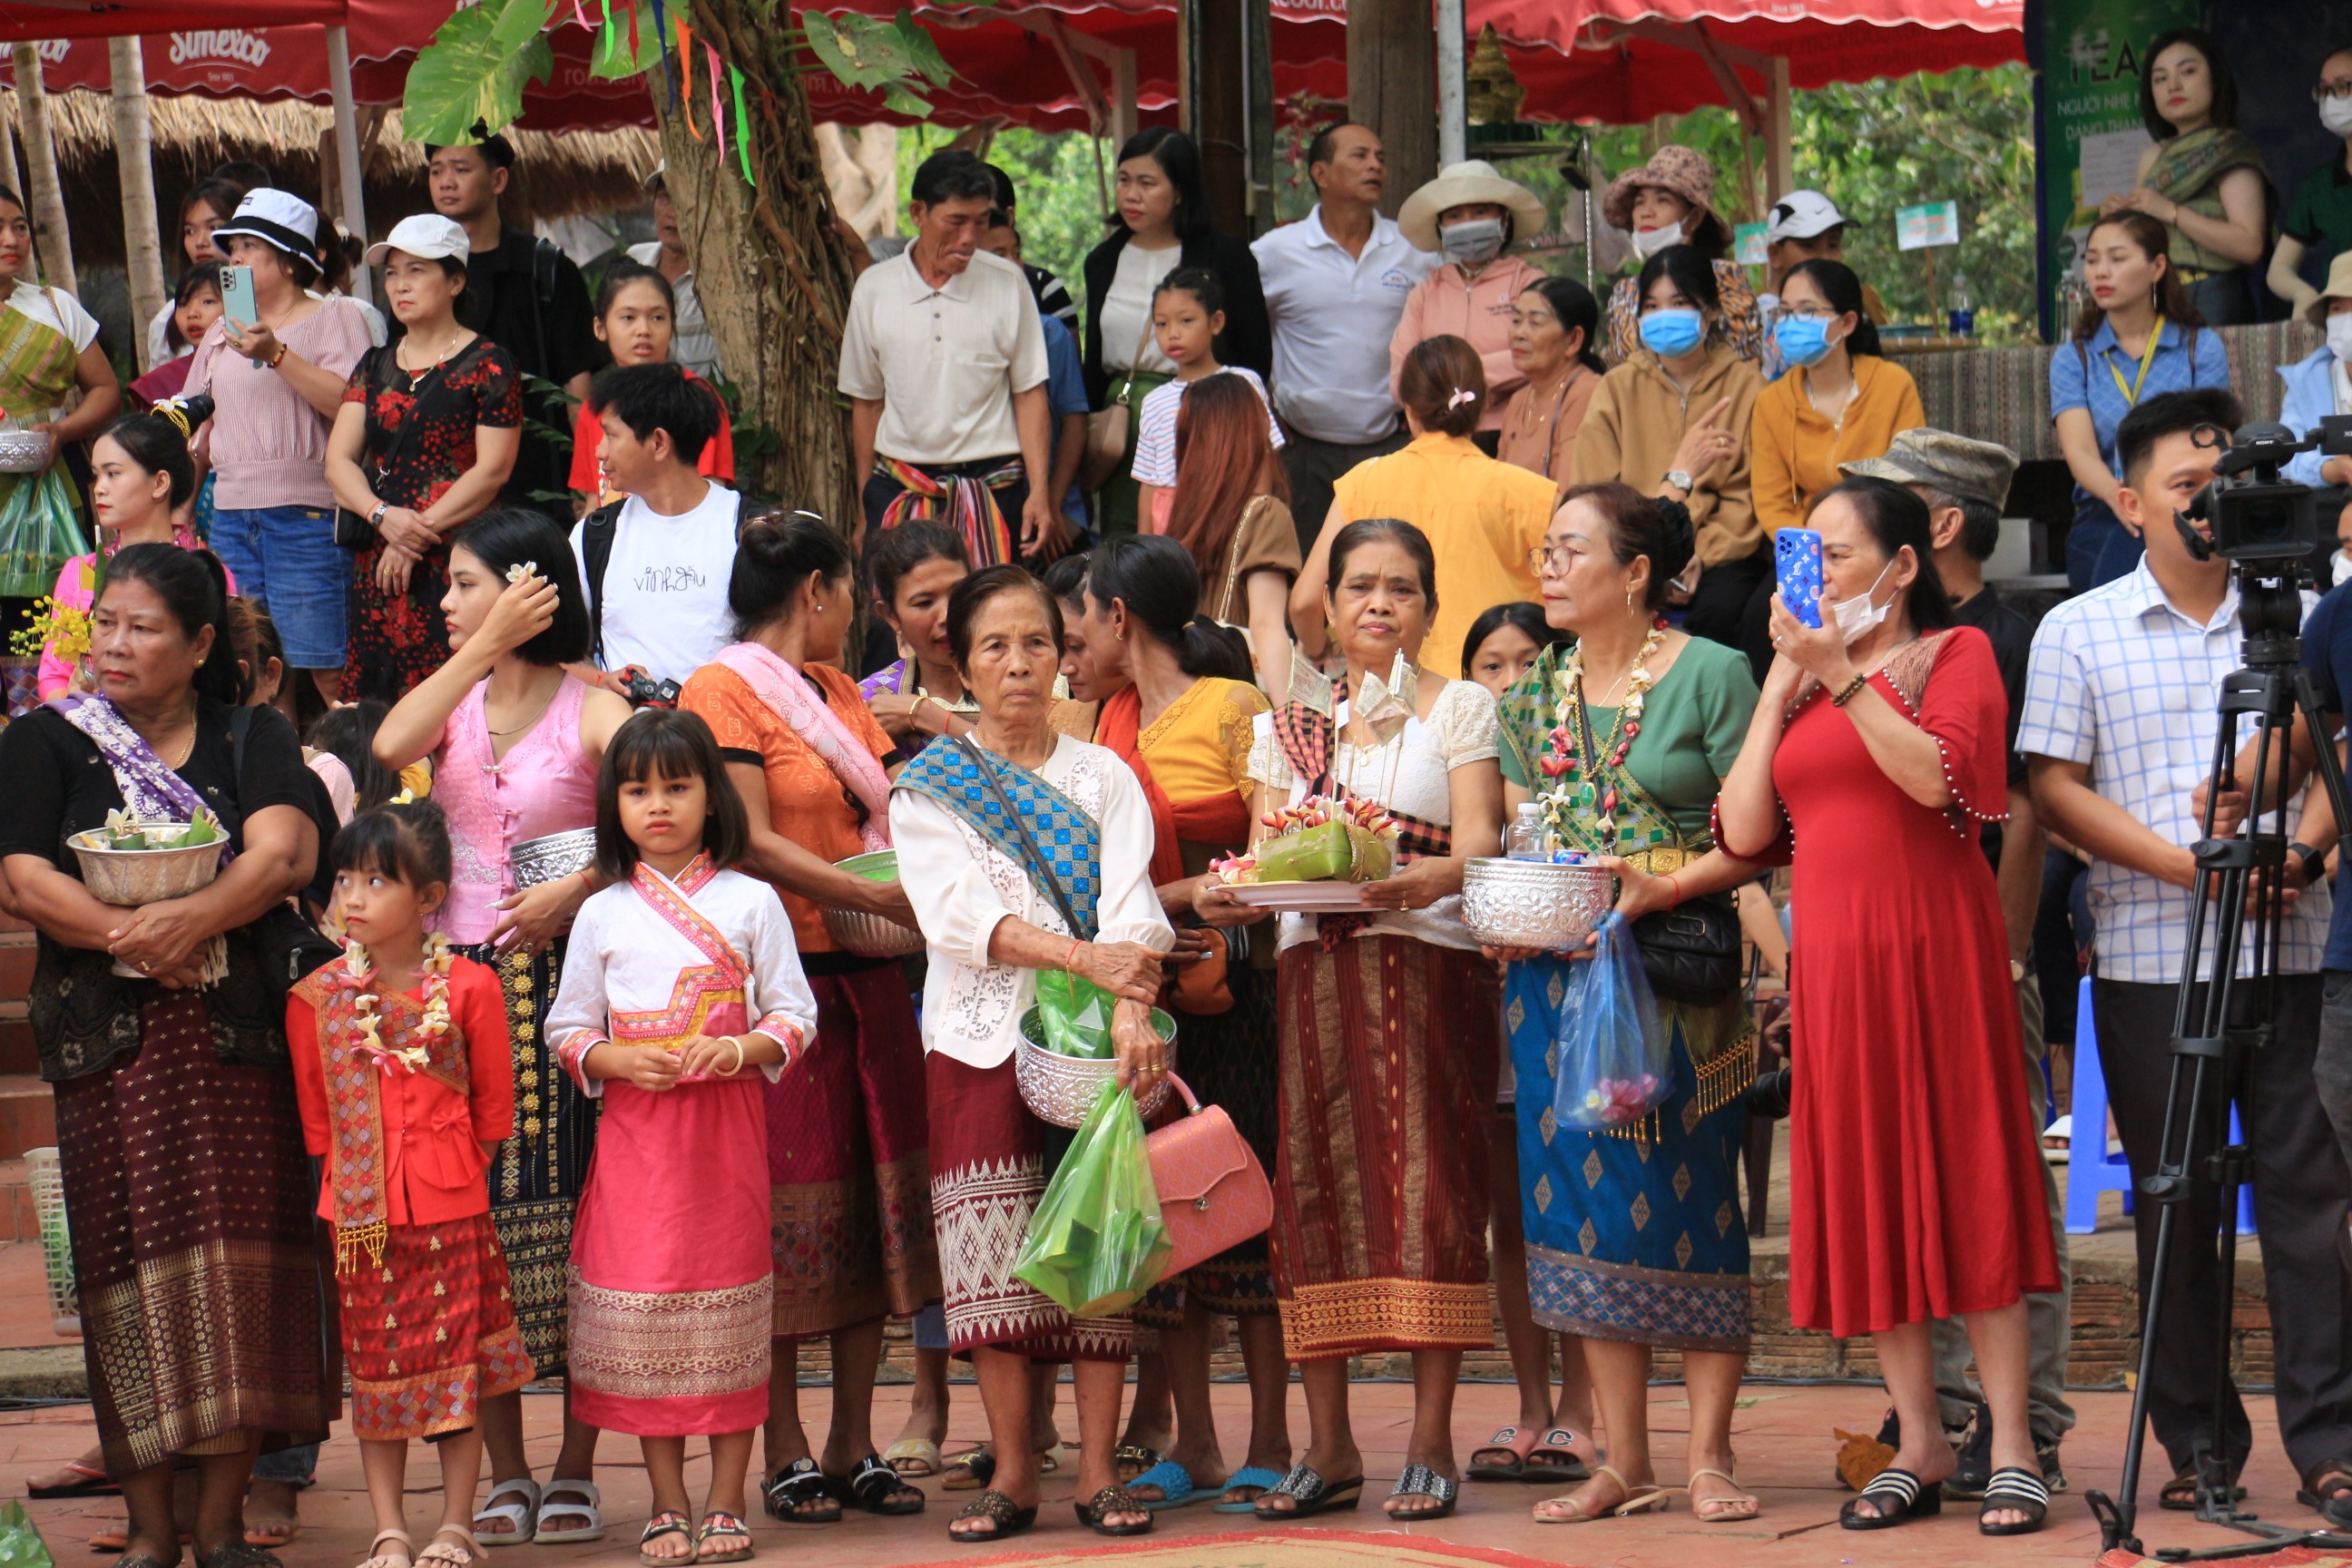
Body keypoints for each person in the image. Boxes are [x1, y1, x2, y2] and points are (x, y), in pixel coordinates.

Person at [2023, 387, 2352, 1529]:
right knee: (2176, 1207)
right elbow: (2054, 788)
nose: (2217, 505)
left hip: (2299, 942)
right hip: (2155, 952)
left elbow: (2342, 746)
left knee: (2315, 1206)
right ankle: (2197, 1441)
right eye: (2187, 487)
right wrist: (2187, 867)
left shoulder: (2317, 612)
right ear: (2131, 501)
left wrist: (2302, 857)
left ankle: (2333, 1446)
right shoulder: (2081, 627)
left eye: (2234, 484)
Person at [1717, 477, 2061, 1535]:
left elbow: (1944, 785)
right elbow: (1740, 832)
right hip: (1836, 968)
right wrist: (1782, 686)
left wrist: (1842, 677)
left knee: (1971, 1179)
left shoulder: (1953, 657)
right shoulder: (1805, 684)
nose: (1815, 575)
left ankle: (2008, 1443)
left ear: (1904, 565)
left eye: (1837, 554)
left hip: (1936, 953)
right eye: (1803, 556)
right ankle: (1917, 1437)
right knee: (1872, 1190)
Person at [0, 544, 333, 1568]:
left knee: (244, 1278)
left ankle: (222, 1526)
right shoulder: (47, 740)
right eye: (105, 623)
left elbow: (285, 854)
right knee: (124, 1275)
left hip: (238, 1047)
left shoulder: (252, 735)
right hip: (113, 1046)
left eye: (142, 628)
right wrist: (132, 939)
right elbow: (22, 878)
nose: (114, 644)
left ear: (197, 646)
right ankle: (150, 1530)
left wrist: (189, 922)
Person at [1205, 518, 1502, 1524]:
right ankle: (1328, 1449)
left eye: (1403, 588)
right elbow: (1258, 861)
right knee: (1315, 1198)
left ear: (1426, 610)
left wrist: (1414, 883)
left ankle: (1429, 1442)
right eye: (1361, 586)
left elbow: (1476, 847)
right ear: (1326, 609)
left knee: (1431, 1190)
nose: (1380, 602)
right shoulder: (1287, 727)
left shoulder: (1457, 709)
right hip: (1311, 974)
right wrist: (1239, 891)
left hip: (1428, 966)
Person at [1489, 485, 1764, 1525]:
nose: (1547, 565)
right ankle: (1624, 1459)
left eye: (1570, 549)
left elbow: (1765, 834)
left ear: (1637, 571)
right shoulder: (1539, 692)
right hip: (1557, 975)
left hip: (1675, 969)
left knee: (1691, 1201)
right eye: (1545, 549)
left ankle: (1708, 1455)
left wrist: (1664, 885)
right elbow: (1529, 832)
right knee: (1578, 1211)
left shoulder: (1712, 674)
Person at [887, 565, 1171, 1543]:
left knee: (1098, 1240)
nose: (1019, 665)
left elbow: (1137, 903)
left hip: (1094, 1043)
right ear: (962, 664)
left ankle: (1097, 1472)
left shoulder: (1105, 776)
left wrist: (1127, 1000)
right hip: (978, 1037)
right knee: (992, 1252)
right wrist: (1086, 958)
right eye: (996, 647)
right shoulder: (929, 787)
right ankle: (1012, 1471)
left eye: (1038, 644)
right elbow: (963, 916)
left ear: (1066, 656)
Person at [371, 507, 631, 1547]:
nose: (444, 601)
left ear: (529, 592)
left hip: (566, 986)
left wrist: (575, 888)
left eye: (465, 584)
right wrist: (484, 642)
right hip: (457, 990)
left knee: (577, 1219)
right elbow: (389, 742)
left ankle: (575, 1463)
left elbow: (668, 823)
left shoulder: (595, 711)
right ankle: (509, 1468)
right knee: (468, 1226)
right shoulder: (461, 701)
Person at [675, 516, 938, 1524]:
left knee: (872, 1209)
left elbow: (884, 805)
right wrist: (870, 896)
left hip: (867, 977)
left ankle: (853, 1441)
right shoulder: (721, 689)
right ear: (819, 592)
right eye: (848, 597)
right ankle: (783, 1443)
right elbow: (744, 837)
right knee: (788, 1216)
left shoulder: (835, 692)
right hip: (780, 979)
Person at [1839, 428, 2075, 1494]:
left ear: (1930, 530)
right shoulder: (1843, 645)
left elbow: (2016, 807)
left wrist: (2012, 948)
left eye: (1878, 509)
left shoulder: (1996, 637)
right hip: (1868, 951)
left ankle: (2033, 1423)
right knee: (1899, 1184)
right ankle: (1928, 1417)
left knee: (1994, 1184)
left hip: (1975, 946)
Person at [547, 708, 820, 1565]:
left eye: (677, 785)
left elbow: (796, 1014)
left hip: (724, 1145)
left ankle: (727, 1497)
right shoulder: (601, 914)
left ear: (712, 796)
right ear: (613, 805)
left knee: (726, 1313)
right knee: (649, 1318)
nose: (658, 805)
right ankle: (668, 1501)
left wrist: (741, 1046)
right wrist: (618, 1060)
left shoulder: (754, 901)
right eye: (637, 790)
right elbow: (566, 1026)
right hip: (637, 1147)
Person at [1052, 536, 1289, 1513]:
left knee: (1236, 1203)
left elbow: (1274, 850)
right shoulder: (1098, 720)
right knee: (1159, 1217)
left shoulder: (1234, 709)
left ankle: (1270, 1435)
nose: (1065, 648)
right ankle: (1193, 1441)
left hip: (1230, 986)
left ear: (1120, 620)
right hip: (1135, 991)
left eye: (1074, 627)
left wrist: (1168, 891)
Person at [286, 799, 529, 1568]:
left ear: (429, 899)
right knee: (377, 1371)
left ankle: (456, 1523)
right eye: (344, 879)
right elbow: (318, 1124)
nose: (351, 898)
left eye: (376, 881)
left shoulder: (468, 988)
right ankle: (389, 1528)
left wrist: (449, 1170)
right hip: (360, 1217)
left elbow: (494, 1110)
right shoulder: (316, 999)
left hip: (453, 1203)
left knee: (460, 1366)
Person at [1455, 601, 1591, 1490]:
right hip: (1485, 1003)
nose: (1506, 682)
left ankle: (1586, 1412)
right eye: (1489, 666)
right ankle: (1532, 1407)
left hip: (1567, 1002)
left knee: (1573, 1207)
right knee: (1510, 1218)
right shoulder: (1459, 760)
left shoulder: (1577, 757)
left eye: (1523, 663)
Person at [188, 190, 375, 709]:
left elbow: (355, 405)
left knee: (330, 669)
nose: (236, 257)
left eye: (251, 245)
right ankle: (278, 777)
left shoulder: (337, 318)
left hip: (309, 514)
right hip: (229, 517)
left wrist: (276, 354)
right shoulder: (221, 333)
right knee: (253, 672)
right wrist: (184, 505)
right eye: (233, 246)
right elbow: (197, 423)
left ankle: (365, 782)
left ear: (290, 260)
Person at [328, 213, 523, 701]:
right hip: (379, 552)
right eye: (392, 273)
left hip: (457, 555)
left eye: (417, 271)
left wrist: (412, 534)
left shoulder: (490, 363)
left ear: (455, 281)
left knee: (459, 691)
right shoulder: (375, 364)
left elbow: (493, 470)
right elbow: (338, 463)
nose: (400, 285)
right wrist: (383, 517)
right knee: (379, 695)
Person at [841, 151, 1060, 568]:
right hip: (901, 487)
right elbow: (867, 402)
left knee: (996, 619)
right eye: (956, 221)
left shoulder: (1007, 282)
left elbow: (1030, 393)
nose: (969, 237)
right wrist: (866, 503)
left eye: (980, 221)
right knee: (897, 627)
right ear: (918, 213)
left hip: (996, 489)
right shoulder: (873, 289)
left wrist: (1039, 493)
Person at [1291, 338, 1554, 681]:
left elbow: (1305, 603)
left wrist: (1318, 651)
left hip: (1392, 692)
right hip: (1504, 689)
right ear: (1483, 404)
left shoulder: (1363, 483)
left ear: (1408, 408)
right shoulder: (1532, 492)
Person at [1568, 246, 1767, 673]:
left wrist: (1697, 555)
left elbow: (1747, 496)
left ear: (1710, 312)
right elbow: (1593, 490)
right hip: (1629, 549)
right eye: (1653, 306)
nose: (1664, 316)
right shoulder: (1617, 388)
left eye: (1679, 303)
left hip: (1716, 555)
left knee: (1723, 609)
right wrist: (1654, 557)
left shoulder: (1747, 386)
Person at [1252, 122, 1439, 554]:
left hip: (1392, 445)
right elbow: (1240, 340)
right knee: (1304, 579)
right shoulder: (1274, 252)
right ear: (1320, 172)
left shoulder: (1413, 249)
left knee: (1389, 568)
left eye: (1381, 158)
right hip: (1302, 453)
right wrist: (1265, 418)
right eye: (1360, 155)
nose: (1375, 165)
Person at [1083, 127, 1271, 536]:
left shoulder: (1226, 255)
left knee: (1203, 532)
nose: (1131, 195)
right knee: (1127, 539)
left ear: (1180, 190)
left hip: (1207, 412)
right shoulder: (1103, 259)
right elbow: (1093, 359)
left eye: (1147, 183)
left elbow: (1255, 353)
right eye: (1124, 180)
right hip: (1122, 422)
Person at [423, 134, 602, 519]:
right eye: (436, 171)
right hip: (440, 486)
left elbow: (577, 387)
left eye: (461, 169)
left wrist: (586, 485)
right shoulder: (420, 273)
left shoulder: (546, 268)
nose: (446, 181)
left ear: (499, 180)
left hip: (537, 485)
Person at [2050, 211, 2228, 593]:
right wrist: (2122, 499)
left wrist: (2163, 503)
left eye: (2117, 259)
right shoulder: (2074, 357)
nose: (2100, 272)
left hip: (2189, 506)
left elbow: (2211, 441)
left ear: (2157, 266)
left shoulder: (2199, 347)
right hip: (2106, 510)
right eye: (2092, 260)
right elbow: (2079, 450)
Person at [570, 362, 743, 690]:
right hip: (624, 734)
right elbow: (559, 653)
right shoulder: (593, 536)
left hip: (727, 736)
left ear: (659, 443)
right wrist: (602, 680)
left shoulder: (746, 530)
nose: (599, 451)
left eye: (610, 435)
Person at [38, 397, 224, 701]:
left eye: (113, 474)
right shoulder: (81, 571)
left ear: (160, 483)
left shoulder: (205, 573)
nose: (99, 487)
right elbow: (54, 675)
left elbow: (219, 676)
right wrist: (78, 714)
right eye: (97, 475)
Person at [0, 183, 122, 601]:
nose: (11, 239)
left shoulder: (56, 307)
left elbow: (105, 390)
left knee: (58, 609)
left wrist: (61, 432)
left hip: (54, 472)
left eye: (19, 227)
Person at [2103, 28, 2268, 327]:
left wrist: (2172, 212)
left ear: (2215, 80)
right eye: (2160, 78)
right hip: (2160, 297)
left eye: (2187, 71)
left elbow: (2249, 245)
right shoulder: (2151, 156)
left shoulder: (2228, 149)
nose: (2173, 86)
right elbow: (2146, 246)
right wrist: (2118, 224)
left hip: (2214, 295)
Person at [1750, 259, 1926, 538]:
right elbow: (1772, 502)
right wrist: (1814, 549)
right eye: (1784, 312)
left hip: (1881, 540)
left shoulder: (1893, 385)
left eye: (1807, 310)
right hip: (1805, 548)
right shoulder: (1770, 402)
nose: (1791, 322)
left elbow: (1910, 481)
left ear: (1847, 322)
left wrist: (1862, 545)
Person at [1391, 161, 1548, 449]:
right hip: (1439, 442)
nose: (1468, 222)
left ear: (1503, 218)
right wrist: (1478, 377)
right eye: (1454, 215)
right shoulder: (1425, 295)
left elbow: (1543, 352)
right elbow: (1401, 375)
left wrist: (1450, 376)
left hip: (1517, 436)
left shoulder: (1530, 284)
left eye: (1480, 212)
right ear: (1440, 226)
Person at [1164, 372, 1302, 697]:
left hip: (1184, 699)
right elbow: (1266, 624)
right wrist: (1287, 723)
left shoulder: (1185, 520)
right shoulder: (1265, 514)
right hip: (1238, 698)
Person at [566, 262, 735, 509]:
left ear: (672, 327)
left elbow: (712, 494)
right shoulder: (594, 406)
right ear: (600, 328)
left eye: (657, 317)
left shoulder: (695, 397)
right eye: (628, 317)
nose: (643, 330)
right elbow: (594, 498)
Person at [1131, 270, 1283, 534]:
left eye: (1186, 320)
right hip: (1172, 520)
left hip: (1232, 509)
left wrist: (1259, 518)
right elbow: (1149, 482)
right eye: (1161, 324)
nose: (1173, 334)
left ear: (1216, 322)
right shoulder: (1155, 401)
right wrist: (1146, 546)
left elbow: (1262, 455)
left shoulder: (1243, 383)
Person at [978, 211, 1088, 545]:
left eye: (1017, 252)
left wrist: (1051, 501)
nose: (1015, 265)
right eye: (1000, 255)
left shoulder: (1049, 332)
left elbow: (1074, 422)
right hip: (984, 501)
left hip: (1049, 502)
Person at [1599, 147, 1763, 367]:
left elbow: (1745, 364)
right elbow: (1617, 369)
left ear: (1695, 216)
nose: (1646, 212)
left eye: (1662, 200)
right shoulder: (1625, 291)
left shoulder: (1723, 279)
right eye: (1640, 202)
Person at [858, 521, 976, 743]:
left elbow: (1038, 774)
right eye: (924, 602)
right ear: (891, 615)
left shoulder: (1022, 678)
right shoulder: (871, 701)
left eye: (960, 592)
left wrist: (930, 717)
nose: (947, 616)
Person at [1495, 276, 1604, 490]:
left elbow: (1569, 495)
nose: (1519, 334)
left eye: (1535, 323)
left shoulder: (1586, 392)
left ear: (1574, 339)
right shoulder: (1519, 399)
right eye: (1516, 321)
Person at [2270, 44, 2352, 317]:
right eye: (2324, 90)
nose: (2330, 99)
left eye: (2342, 87)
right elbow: (2279, 269)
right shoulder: (2319, 186)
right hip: (2343, 321)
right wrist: (2302, 294)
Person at [140, 175, 246, 371]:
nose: (200, 242)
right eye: (189, 231)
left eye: (214, 227)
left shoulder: (276, 307)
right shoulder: (167, 320)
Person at [628, 162, 720, 379]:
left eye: (684, 200)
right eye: (665, 197)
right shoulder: (633, 263)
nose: (673, 213)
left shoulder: (720, 280)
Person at [2277, 252, 2352, 491]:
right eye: (2338, 308)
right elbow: (2287, 456)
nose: (2347, 319)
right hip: (2326, 507)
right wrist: (2329, 469)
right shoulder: (2305, 381)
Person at [985, 162, 1077, 327]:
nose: (968, 231)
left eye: (982, 218)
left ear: (1008, 217)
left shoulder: (1044, 290)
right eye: (958, 220)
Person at [130, 264, 225, 407]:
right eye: (182, 304)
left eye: (208, 302)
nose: (192, 313)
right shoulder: (162, 381)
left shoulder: (258, 364)